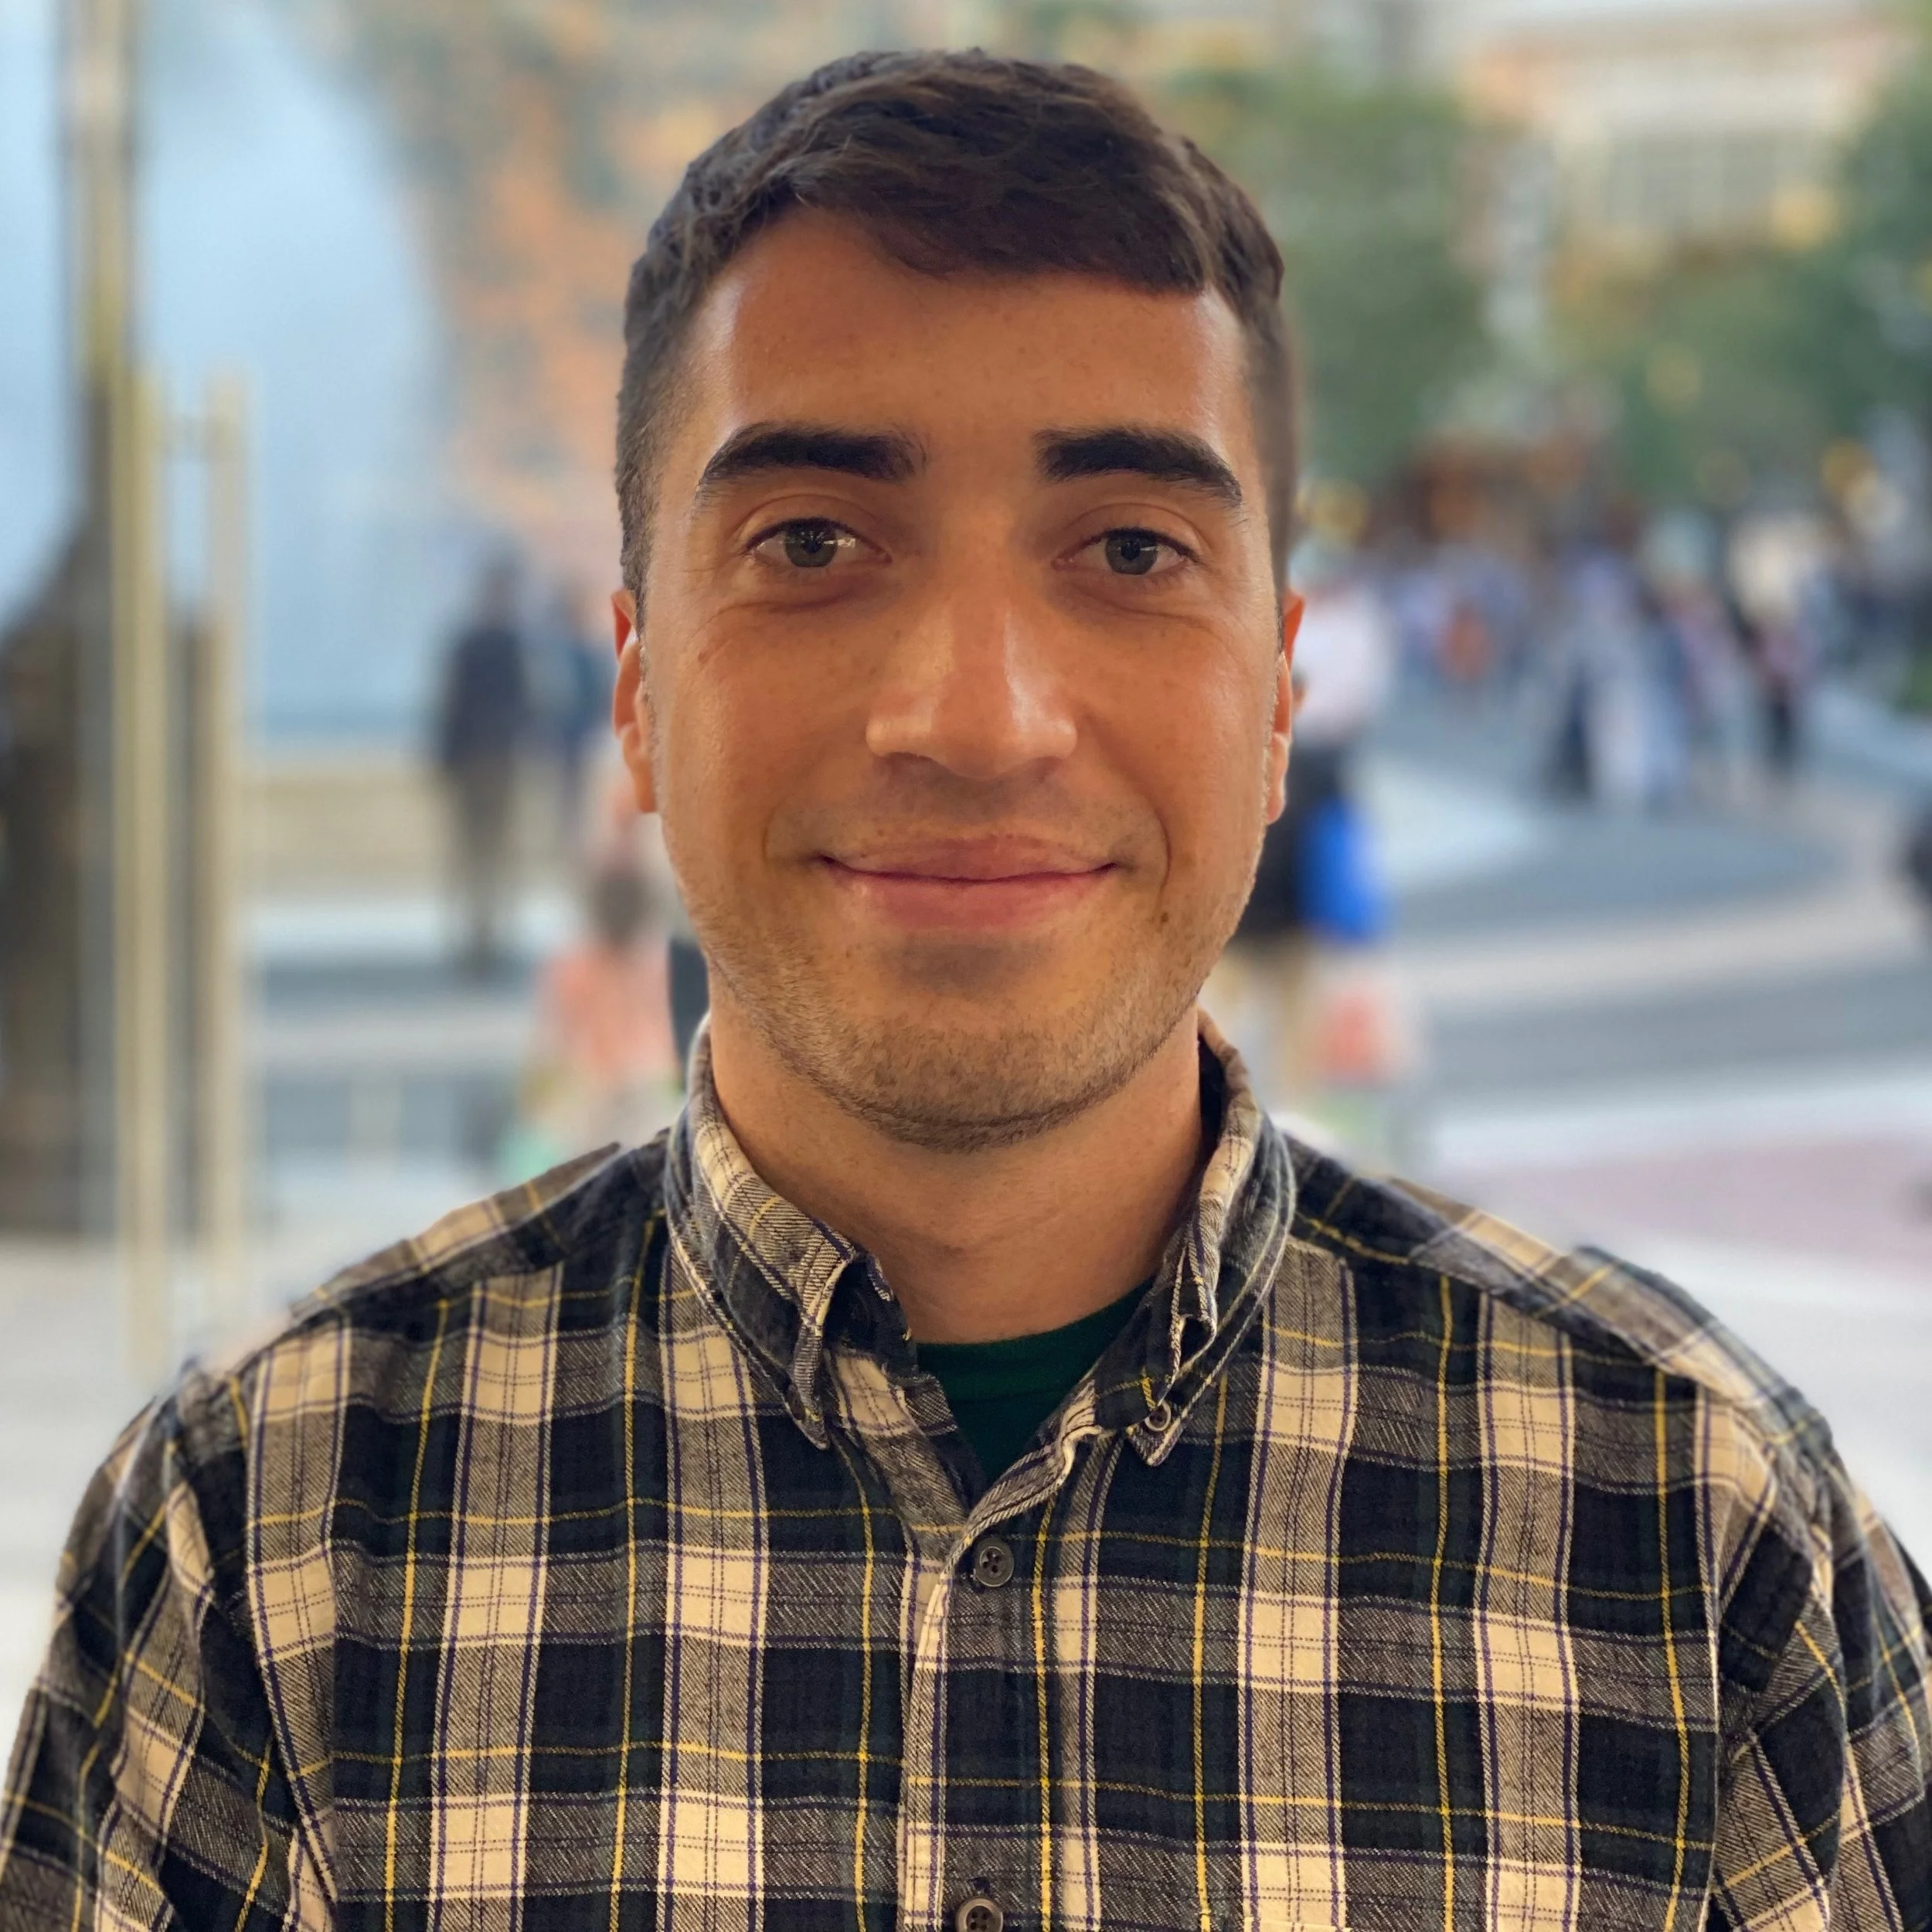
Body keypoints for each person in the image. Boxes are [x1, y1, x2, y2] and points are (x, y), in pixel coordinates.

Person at [3, 53, 1927, 1932]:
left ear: (1277, 691)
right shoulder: (271, 1539)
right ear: (635, 688)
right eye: (814, 543)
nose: (979, 719)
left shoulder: (1693, 1536)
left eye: (1127, 549)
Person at [434, 554, 534, 973]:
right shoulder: (501, 644)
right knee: (484, 851)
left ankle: (484, 934)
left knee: (483, 852)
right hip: (492, 757)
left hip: (487, 757)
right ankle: (482, 933)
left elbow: (451, 706)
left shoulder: (481, 643)